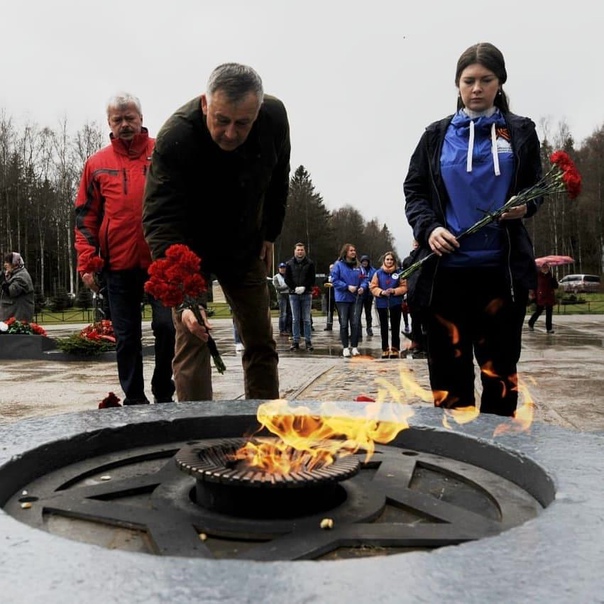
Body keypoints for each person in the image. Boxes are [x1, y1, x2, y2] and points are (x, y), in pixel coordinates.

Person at [403, 42, 543, 417]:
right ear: (458, 85)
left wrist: (526, 205)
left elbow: (537, 187)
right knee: (449, 380)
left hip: (502, 274)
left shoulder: (521, 132)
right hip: (446, 277)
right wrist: (429, 227)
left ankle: (497, 456)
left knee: (499, 375)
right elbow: (415, 190)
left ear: (500, 83)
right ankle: (455, 459)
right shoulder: (436, 135)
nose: (476, 88)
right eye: (469, 81)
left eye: (486, 80)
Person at [143, 63, 291, 401]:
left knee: (260, 341)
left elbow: (279, 177)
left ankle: (263, 428)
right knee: (192, 335)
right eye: (222, 120)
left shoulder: (274, 118)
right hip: (189, 250)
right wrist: (183, 296)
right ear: (205, 104)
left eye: (243, 123)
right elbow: (160, 220)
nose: (231, 133)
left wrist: (270, 232)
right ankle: (196, 433)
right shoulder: (176, 137)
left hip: (244, 244)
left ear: (257, 112)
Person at [74, 93, 176, 406]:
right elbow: (85, 216)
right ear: (109, 123)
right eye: (118, 119)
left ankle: (163, 390)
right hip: (116, 264)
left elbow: (181, 201)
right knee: (127, 337)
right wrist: (87, 261)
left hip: (160, 261)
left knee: (166, 327)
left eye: (130, 117)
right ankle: (134, 399)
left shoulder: (162, 152)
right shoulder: (97, 163)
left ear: (141, 118)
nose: (125, 124)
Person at [331, 243, 367, 357]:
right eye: (351, 250)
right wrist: (347, 287)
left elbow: (365, 279)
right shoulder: (338, 265)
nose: (353, 252)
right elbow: (335, 281)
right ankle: (345, 347)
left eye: (354, 250)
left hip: (356, 298)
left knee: (355, 323)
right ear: (345, 252)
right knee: (344, 323)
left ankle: (355, 347)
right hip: (342, 298)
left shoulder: (359, 266)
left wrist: (363, 287)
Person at [370, 251, 407, 358]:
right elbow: (373, 287)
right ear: (384, 261)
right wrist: (381, 292)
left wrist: (394, 291)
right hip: (382, 303)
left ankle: (395, 349)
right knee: (384, 327)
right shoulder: (378, 273)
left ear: (394, 261)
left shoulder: (400, 273)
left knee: (395, 327)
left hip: (395, 302)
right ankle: (385, 348)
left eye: (391, 259)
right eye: (387, 259)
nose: (389, 261)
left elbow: (404, 287)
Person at [284, 242, 316, 351]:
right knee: (295, 319)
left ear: (304, 251)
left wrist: (304, 287)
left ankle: (308, 341)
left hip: (306, 294)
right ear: (294, 251)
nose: (300, 252)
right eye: (298, 250)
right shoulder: (289, 264)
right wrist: (294, 288)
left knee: (306, 319)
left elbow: (312, 278)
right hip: (293, 294)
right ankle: (295, 341)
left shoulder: (310, 263)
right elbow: (287, 279)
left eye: (302, 250)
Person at [0, 252, 34, 322]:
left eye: (7, 262)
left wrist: (3, 281)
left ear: (15, 263)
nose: (5, 265)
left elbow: (11, 291)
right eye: (5, 262)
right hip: (12, 315)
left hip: (18, 316)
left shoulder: (22, 276)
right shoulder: (12, 274)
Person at [528, 262, 558, 334]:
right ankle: (531, 322)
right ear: (541, 268)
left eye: (547, 267)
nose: (545, 269)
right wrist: (533, 295)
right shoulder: (537, 276)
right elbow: (533, 286)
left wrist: (553, 280)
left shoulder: (551, 276)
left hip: (549, 296)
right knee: (539, 311)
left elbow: (555, 286)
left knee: (549, 313)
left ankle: (549, 328)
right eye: (543, 267)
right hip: (540, 296)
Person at [359, 255, 376, 337]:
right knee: (358, 312)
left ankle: (369, 327)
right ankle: (358, 329)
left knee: (368, 312)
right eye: (363, 261)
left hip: (369, 294)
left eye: (366, 261)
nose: (364, 263)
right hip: (360, 294)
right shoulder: (358, 270)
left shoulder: (373, 271)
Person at [273, 262, 292, 336]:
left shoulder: (289, 276)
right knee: (283, 313)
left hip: (289, 295)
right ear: (279, 269)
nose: (283, 269)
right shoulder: (276, 277)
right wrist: (287, 286)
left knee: (289, 313)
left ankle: (288, 328)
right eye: (281, 268)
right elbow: (278, 288)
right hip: (281, 296)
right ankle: (282, 329)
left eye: (284, 268)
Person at [323, 263, 337, 331]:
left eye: (333, 268)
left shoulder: (337, 275)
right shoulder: (328, 275)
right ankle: (329, 325)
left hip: (336, 295)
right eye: (330, 268)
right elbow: (323, 283)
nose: (332, 269)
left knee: (339, 311)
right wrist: (327, 279)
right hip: (329, 295)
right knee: (329, 311)